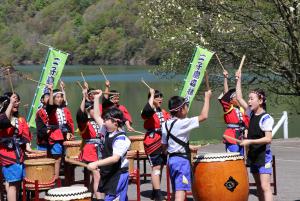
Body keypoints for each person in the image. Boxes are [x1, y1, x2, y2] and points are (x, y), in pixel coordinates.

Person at [162, 90, 211, 201]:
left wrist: (185, 147)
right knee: (181, 191)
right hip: (181, 162)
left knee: (176, 189)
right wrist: (207, 98)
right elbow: (204, 116)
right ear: (180, 110)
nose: (187, 109)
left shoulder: (165, 124)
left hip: (172, 161)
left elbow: (164, 147)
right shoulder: (183, 123)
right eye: (186, 106)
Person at [236, 70, 274, 201]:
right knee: (258, 186)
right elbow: (239, 98)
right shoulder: (251, 113)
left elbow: (268, 139)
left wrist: (249, 142)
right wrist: (238, 79)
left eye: (252, 99)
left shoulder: (266, 118)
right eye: (249, 98)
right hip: (253, 155)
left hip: (264, 156)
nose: (249, 101)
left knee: (265, 186)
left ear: (261, 100)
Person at [87, 90, 131, 201]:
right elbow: (96, 115)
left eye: (106, 119)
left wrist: (96, 163)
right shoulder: (106, 129)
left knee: (111, 198)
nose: (104, 121)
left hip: (118, 174)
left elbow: (115, 158)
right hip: (110, 172)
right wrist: (97, 98)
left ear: (115, 122)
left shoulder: (121, 139)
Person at [0, 93, 32, 201]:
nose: (16, 103)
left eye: (17, 101)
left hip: (19, 154)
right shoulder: (2, 117)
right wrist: (10, 103)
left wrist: (28, 146)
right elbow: (4, 121)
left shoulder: (20, 119)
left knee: (17, 183)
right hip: (8, 155)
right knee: (13, 184)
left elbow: (25, 136)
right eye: (13, 101)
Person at [141, 88, 170, 201]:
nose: (160, 99)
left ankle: (155, 191)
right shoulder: (148, 111)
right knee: (156, 167)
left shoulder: (163, 112)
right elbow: (146, 113)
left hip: (163, 141)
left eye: (161, 96)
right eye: (157, 96)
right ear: (151, 98)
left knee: (161, 166)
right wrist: (151, 95)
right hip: (153, 141)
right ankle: (158, 194)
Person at [76, 86, 104, 200]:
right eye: (92, 109)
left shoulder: (99, 122)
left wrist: (98, 97)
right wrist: (84, 97)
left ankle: (90, 196)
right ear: (88, 111)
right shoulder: (84, 123)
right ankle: (99, 198)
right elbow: (80, 114)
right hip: (89, 150)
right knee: (97, 175)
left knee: (97, 176)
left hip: (100, 150)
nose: (95, 110)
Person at [46, 84, 74, 179]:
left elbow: (65, 101)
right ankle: (56, 178)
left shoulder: (63, 107)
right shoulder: (51, 109)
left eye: (61, 97)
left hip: (65, 133)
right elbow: (49, 104)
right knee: (57, 158)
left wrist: (63, 89)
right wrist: (50, 91)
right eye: (57, 97)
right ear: (53, 99)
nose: (60, 99)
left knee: (67, 156)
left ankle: (68, 177)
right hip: (55, 134)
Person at [218, 70, 249, 155]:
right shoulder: (228, 108)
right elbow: (226, 94)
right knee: (233, 157)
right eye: (235, 97)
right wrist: (225, 79)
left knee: (242, 159)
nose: (237, 98)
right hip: (231, 135)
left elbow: (247, 122)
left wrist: (238, 79)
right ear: (231, 100)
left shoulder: (242, 109)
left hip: (241, 136)